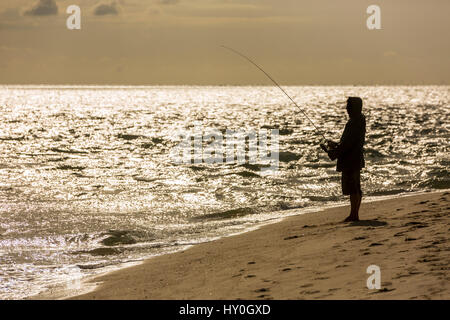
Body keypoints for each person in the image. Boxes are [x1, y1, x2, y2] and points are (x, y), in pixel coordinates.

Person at [321, 97, 366, 222]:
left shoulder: (353, 123)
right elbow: (348, 143)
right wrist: (335, 145)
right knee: (356, 186)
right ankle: (355, 213)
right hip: (355, 158)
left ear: (354, 108)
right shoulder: (360, 120)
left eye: (349, 106)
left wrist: (332, 152)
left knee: (353, 188)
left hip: (351, 159)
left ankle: (354, 215)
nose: (347, 109)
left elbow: (347, 145)